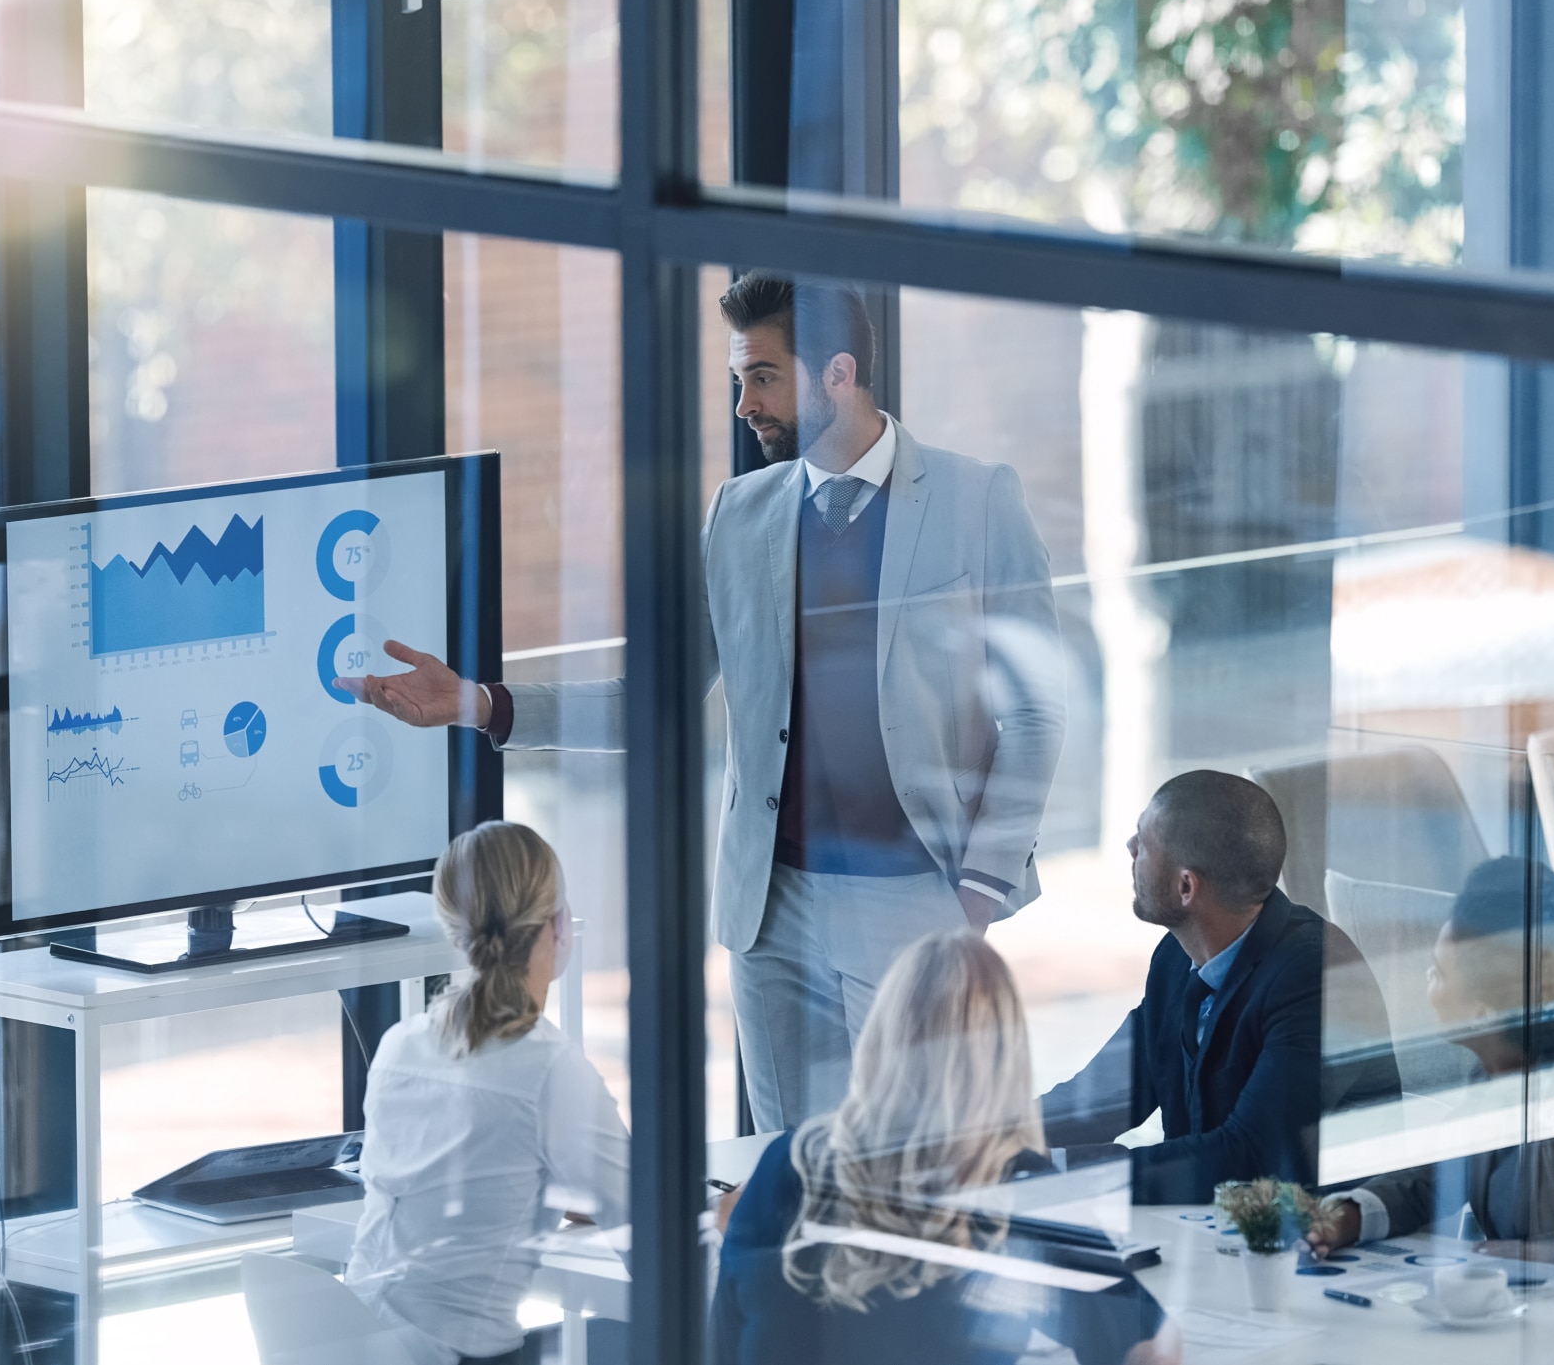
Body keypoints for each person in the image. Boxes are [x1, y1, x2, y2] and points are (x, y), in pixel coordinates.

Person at [336, 273, 1066, 1131]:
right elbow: (659, 701)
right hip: (774, 910)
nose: (742, 404)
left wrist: (975, 892)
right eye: (736, 380)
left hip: (917, 897)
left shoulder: (977, 500)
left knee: (915, 1165)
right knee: (780, 1174)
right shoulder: (739, 513)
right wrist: (479, 703)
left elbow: (1035, 714)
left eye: (762, 377)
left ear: (838, 373)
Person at [712, 929, 1177, 1365]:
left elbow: (721, 1346)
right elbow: (1151, 1347)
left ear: (880, 1037)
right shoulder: (1023, 1194)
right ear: (1004, 1059)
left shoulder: (788, 1163)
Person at [1040, 771, 1400, 1204]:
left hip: (1314, 1241)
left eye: (1145, 843)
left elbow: (1247, 1156)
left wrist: (1062, 1173)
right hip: (1206, 1226)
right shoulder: (1175, 958)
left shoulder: (1316, 976)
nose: (1130, 849)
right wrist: (975, 1138)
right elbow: (1101, 1098)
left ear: (1186, 886)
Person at [345, 821, 628, 1365]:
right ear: (559, 926)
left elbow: (468, 1176)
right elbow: (657, 1237)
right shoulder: (549, 1067)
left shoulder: (399, 1045)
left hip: (359, 1340)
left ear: (454, 933)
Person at [1311, 857, 1554, 1263]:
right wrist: (1351, 1213)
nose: (1427, 982)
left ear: (1483, 1011)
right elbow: (1433, 1176)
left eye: (1439, 972)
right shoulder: (1491, 1076)